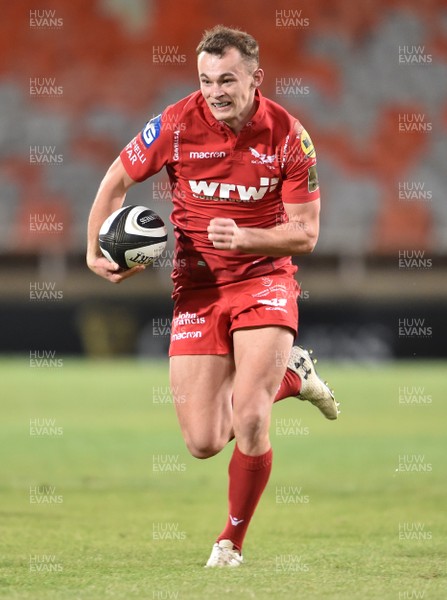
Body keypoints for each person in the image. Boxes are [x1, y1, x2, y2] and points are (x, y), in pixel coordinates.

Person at [86, 25, 339, 568]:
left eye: (227, 79)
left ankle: (230, 543)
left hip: (264, 280)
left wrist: (248, 237)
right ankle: (293, 377)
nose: (216, 91)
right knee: (203, 441)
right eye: (205, 80)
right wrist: (93, 251)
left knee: (249, 417)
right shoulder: (176, 123)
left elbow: (308, 233)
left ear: (255, 79)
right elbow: (114, 180)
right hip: (197, 288)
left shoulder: (290, 137)